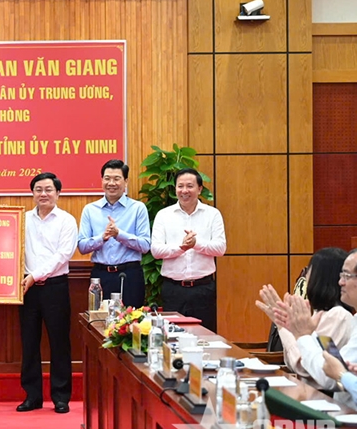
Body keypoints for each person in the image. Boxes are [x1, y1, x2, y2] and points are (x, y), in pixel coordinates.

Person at [17, 172, 77, 414]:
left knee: (59, 342)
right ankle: (32, 396)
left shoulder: (66, 221)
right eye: (38, 190)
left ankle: (61, 397)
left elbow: (63, 255)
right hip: (26, 289)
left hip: (55, 287)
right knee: (29, 343)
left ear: (58, 193)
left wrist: (35, 275)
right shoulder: (22, 220)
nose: (43, 194)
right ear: (32, 193)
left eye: (48, 189)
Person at [254, 248, 350, 380]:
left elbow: (306, 367)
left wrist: (283, 327)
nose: (305, 277)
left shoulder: (337, 316)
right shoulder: (323, 313)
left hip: (318, 392)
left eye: (308, 270)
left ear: (319, 277)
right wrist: (286, 326)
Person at [150, 168, 226, 332]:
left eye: (190, 186)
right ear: (175, 189)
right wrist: (181, 247)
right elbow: (156, 250)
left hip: (203, 288)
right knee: (172, 337)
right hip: (173, 289)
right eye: (180, 186)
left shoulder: (212, 214)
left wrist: (196, 244)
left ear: (199, 189)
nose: (184, 191)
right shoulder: (164, 215)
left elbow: (220, 248)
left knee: (205, 336)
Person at [277, 249, 357, 400]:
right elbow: (329, 365)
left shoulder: (338, 316)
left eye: (347, 276)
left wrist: (299, 334)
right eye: (341, 275)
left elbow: (327, 375)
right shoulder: (352, 319)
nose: (340, 282)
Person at [78, 159, 150, 307]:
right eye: (107, 178)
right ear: (102, 180)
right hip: (100, 276)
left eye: (117, 179)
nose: (111, 183)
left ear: (126, 181)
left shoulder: (138, 208)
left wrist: (119, 235)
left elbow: (145, 245)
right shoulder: (90, 210)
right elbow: (82, 246)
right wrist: (102, 238)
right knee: (99, 318)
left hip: (129, 275)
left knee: (131, 318)